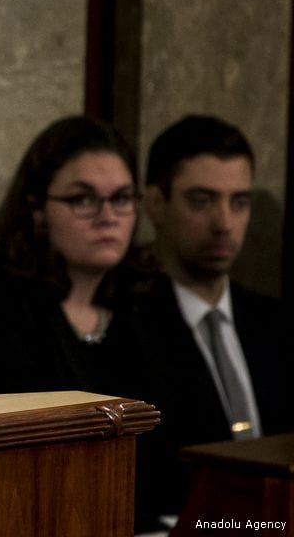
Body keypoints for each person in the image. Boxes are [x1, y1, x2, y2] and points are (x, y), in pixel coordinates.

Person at [134, 115, 294, 522]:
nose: (225, 224)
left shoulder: (274, 323)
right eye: (202, 201)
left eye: (239, 202)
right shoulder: (126, 325)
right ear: (155, 203)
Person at [0, 115, 150, 397]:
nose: (108, 217)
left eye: (121, 199)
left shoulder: (147, 303)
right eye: (83, 199)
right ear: (37, 209)